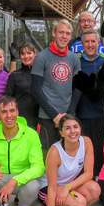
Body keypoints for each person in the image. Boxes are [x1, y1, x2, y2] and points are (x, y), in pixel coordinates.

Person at [41, 115, 101, 206]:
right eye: (67, 128)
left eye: (75, 127)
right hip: (49, 188)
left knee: (94, 189)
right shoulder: (55, 152)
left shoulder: (86, 142)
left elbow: (89, 173)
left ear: (80, 128)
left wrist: (67, 188)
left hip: (67, 185)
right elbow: (51, 188)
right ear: (61, 133)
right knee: (80, 203)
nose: (73, 131)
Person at [31, 19, 81, 149]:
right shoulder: (42, 57)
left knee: (68, 155)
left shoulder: (74, 58)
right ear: (54, 33)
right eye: (61, 32)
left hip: (68, 116)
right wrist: (54, 115)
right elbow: (35, 89)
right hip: (47, 117)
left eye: (68, 33)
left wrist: (69, 114)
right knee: (48, 156)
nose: (64, 36)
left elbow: (78, 89)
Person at [75, 30, 104, 176]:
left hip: (102, 114)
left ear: (98, 43)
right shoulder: (76, 62)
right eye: (86, 42)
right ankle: (83, 182)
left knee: (100, 151)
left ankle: (99, 182)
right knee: (83, 151)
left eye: (93, 41)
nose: (90, 45)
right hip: (81, 113)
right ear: (82, 44)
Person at [6, 43, 39, 129]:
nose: (26, 56)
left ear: (34, 54)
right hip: (21, 118)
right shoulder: (14, 75)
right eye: (23, 54)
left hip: (40, 118)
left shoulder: (41, 73)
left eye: (29, 53)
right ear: (20, 57)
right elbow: (8, 98)